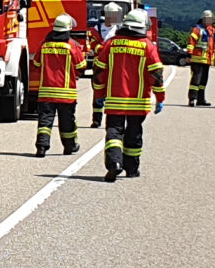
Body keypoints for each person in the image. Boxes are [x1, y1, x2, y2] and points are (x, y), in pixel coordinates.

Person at [99, 9, 165, 181]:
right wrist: (160, 98)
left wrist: (99, 93)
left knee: (114, 132)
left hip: (114, 100)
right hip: (139, 101)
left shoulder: (111, 44)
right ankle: (131, 169)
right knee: (133, 135)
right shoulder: (147, 46)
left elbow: (99, 71)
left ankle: (114, 163)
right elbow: (156, 76)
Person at [31, 13, 86, 157]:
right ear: (68, 29)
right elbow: (82, 66)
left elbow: (36, 64)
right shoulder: (72, 46)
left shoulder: (44, 44)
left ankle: (42, 147)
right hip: (66, 93)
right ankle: (69, 147)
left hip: (46, 93)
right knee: (67, 122)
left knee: (45, 122)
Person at [184, 12, 215, 106]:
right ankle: (192, 99)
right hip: (197, 59)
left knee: (203, 81)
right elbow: (191, 42)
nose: (210, 21)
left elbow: (213, 45)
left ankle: (201, 99)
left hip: (207, 59)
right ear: (203, 19)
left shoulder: (211, 30)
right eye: (208, 19)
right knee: (196, 80)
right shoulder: (197, 30)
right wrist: (189, 54)